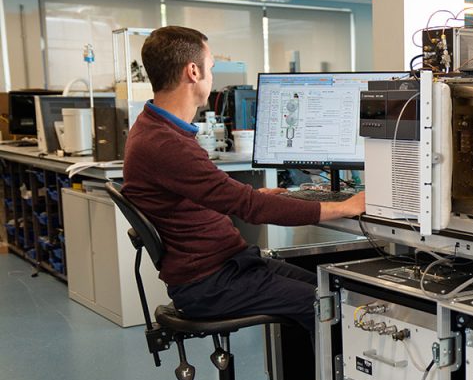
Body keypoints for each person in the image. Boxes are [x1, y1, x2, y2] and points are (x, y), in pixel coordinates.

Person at [122, 26, 364, 335]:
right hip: (211, 283)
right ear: (193, 71)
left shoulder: (154, 127)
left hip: (225, 267)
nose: (211, 75)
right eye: (211, 67)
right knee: (329, 305)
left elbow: (207, 195)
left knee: (331, 289)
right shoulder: (164, 143)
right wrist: (343, 207)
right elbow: (250, 209)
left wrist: (255, 195)